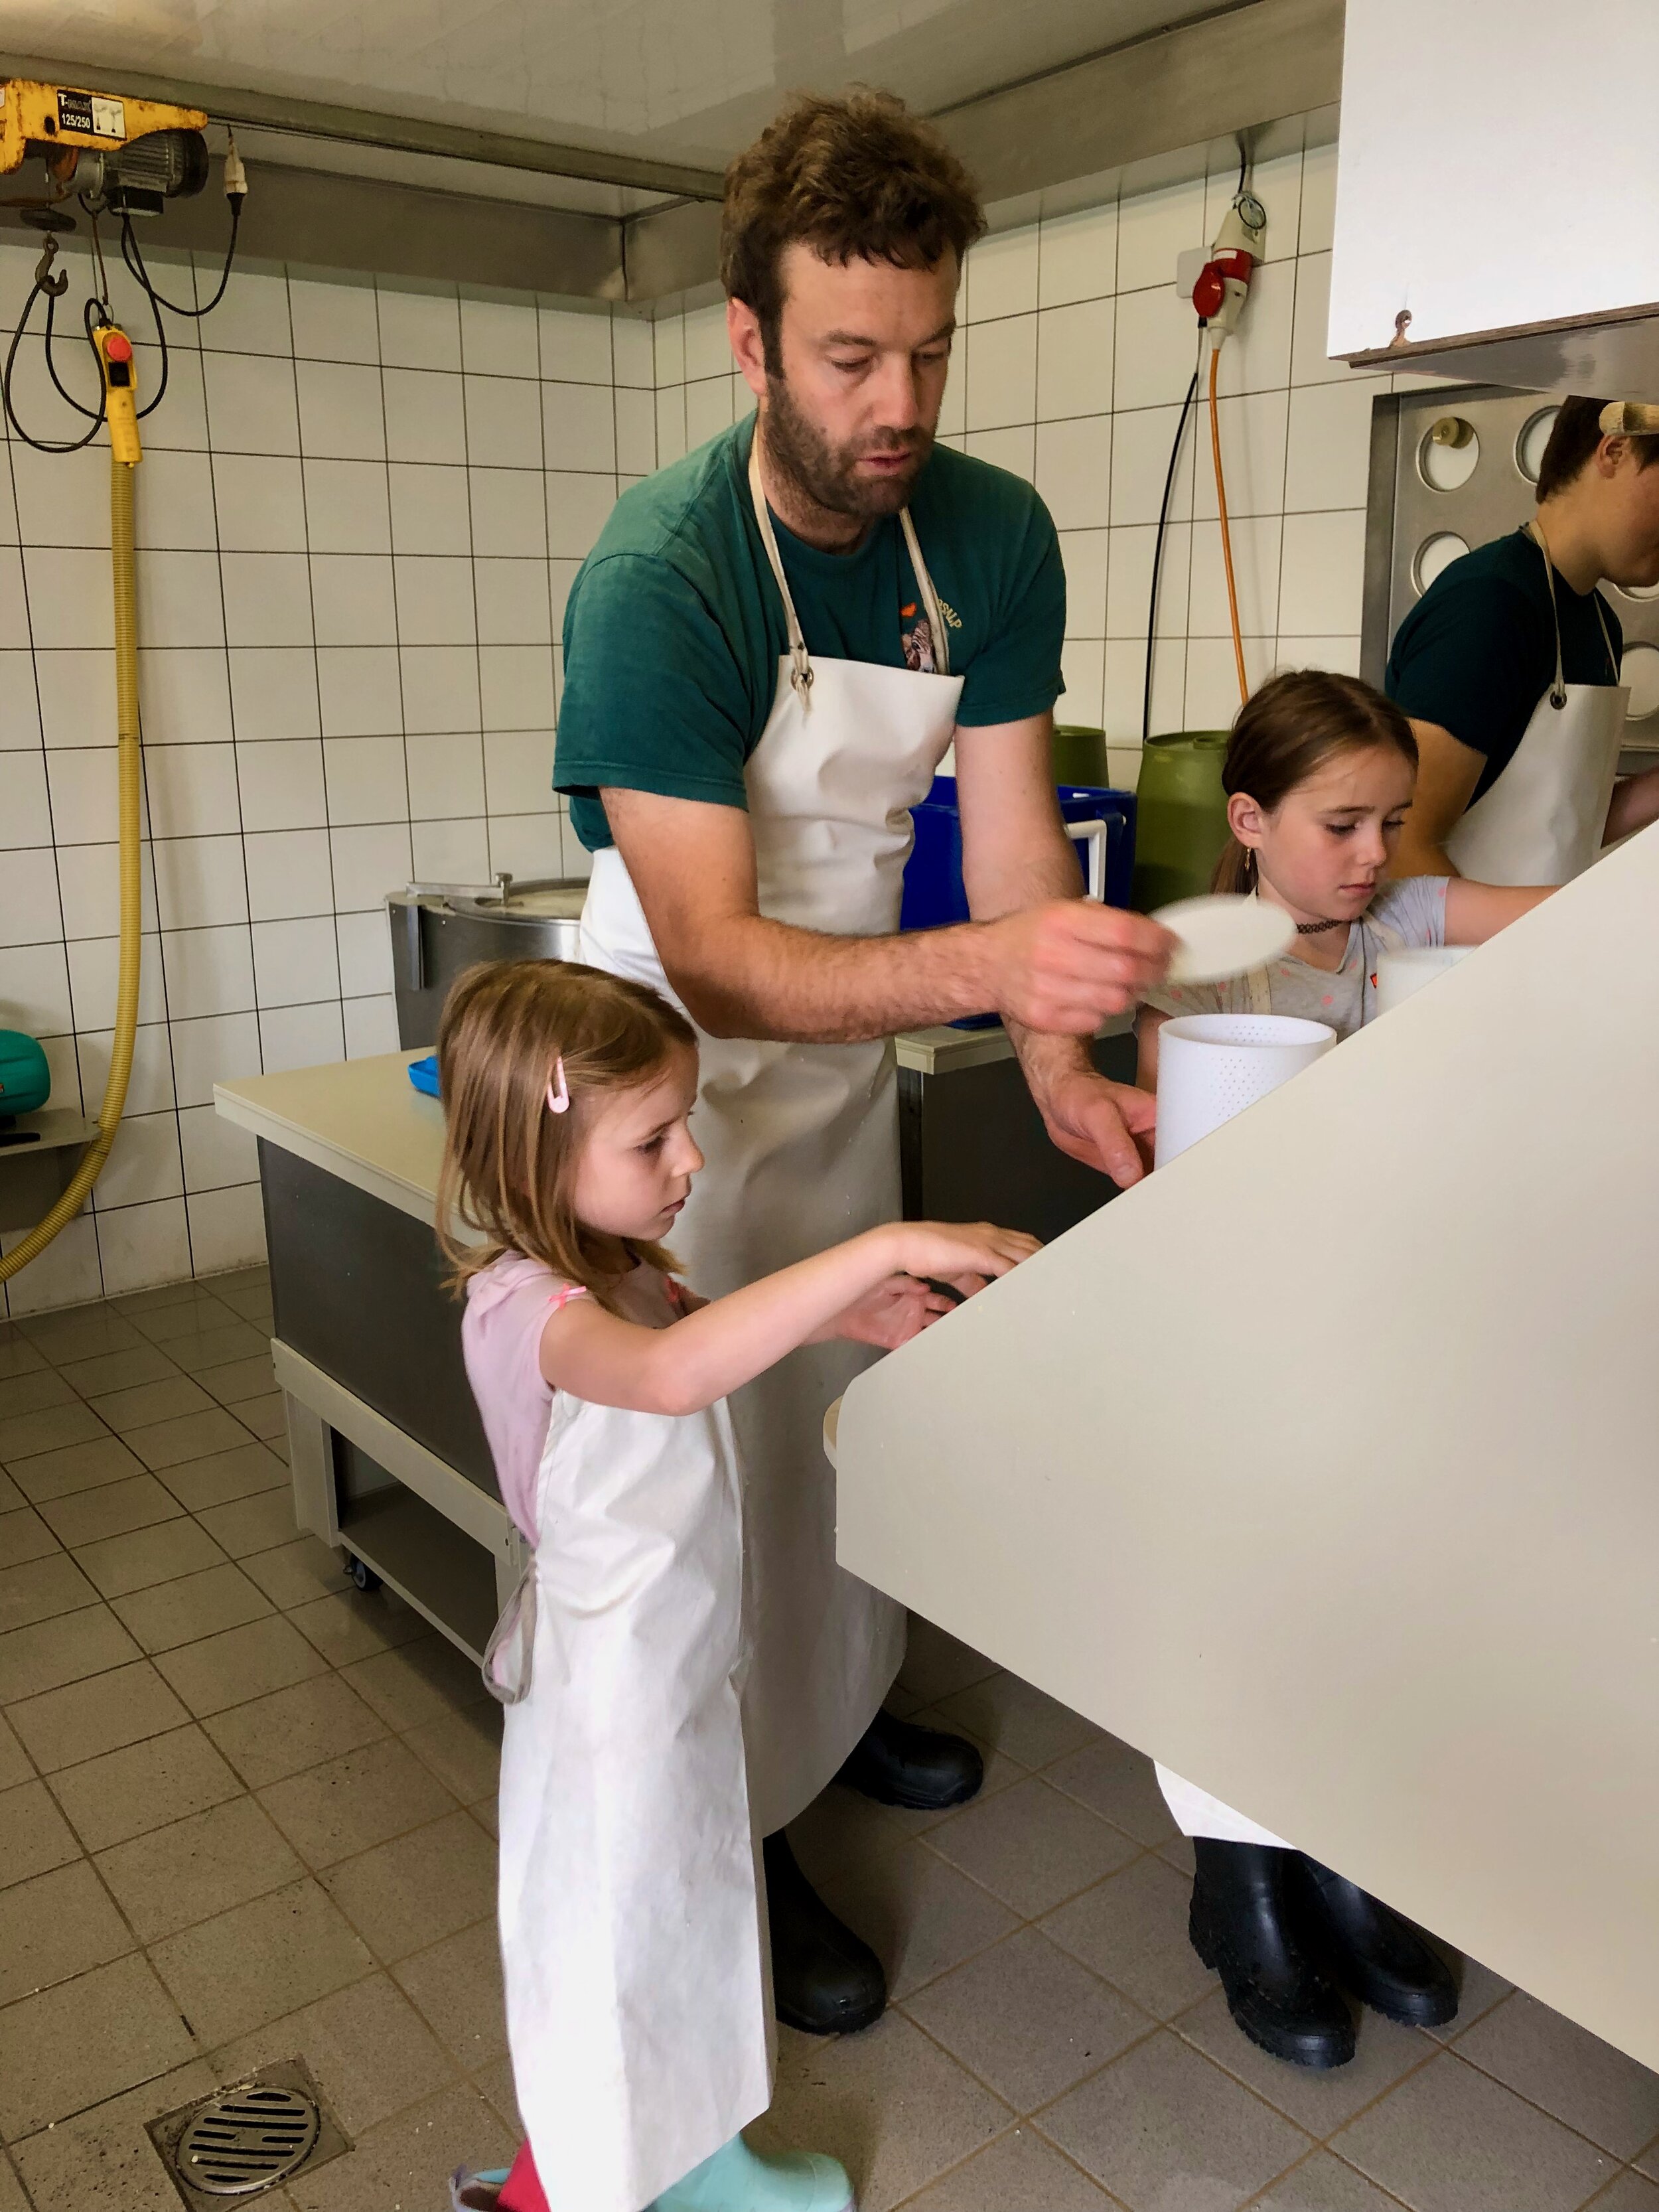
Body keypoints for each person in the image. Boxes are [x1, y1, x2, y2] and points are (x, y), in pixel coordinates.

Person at [553, 89, 1172, 2033]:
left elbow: (1005, 844)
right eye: (845, 357)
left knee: (837, 1445)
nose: (893, 400)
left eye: (925, 350)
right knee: (700, 1494)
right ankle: (734, 1838)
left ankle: (828, 1727)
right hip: (659, 1103)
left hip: (836, 1080)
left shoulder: (985, 535)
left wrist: (1060, 1065)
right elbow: (722, 966)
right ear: (748, 342)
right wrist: (988, 966)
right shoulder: (662, 577)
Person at [440, 959, 1037, 2212]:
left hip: (680, 1661)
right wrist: (884, 1237)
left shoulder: (625, 1274)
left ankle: (697, 2155)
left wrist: (848, 1317)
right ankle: (558, 2193)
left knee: (689, 1916)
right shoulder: (527, 1308)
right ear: (534, 1156)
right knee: (611, 1952)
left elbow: (702, 1328)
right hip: (608, 1698)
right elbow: (669, 1377)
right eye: (654, 1135)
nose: (692, 1160)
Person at [1136, 669, 1551, 2069]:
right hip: (1228, 1340)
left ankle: (1336, 1852)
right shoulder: (1197, 957)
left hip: (1373, 1327)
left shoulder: (1402, 921)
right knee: (1237, 1604)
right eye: (1340, 825)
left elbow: (1581, 929)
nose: (1376, 855)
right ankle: (1235, 1882)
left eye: (1391, 820)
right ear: (1247, 819)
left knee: (1361, 1599)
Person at [1385, 396, 1659, 885]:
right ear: (1616, 451)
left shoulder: (1600, 623)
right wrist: (1507, 957)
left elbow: (1564, 823)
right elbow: (1404, 843)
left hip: (1525, 946)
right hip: (1451, 958)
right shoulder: (1490, 604)